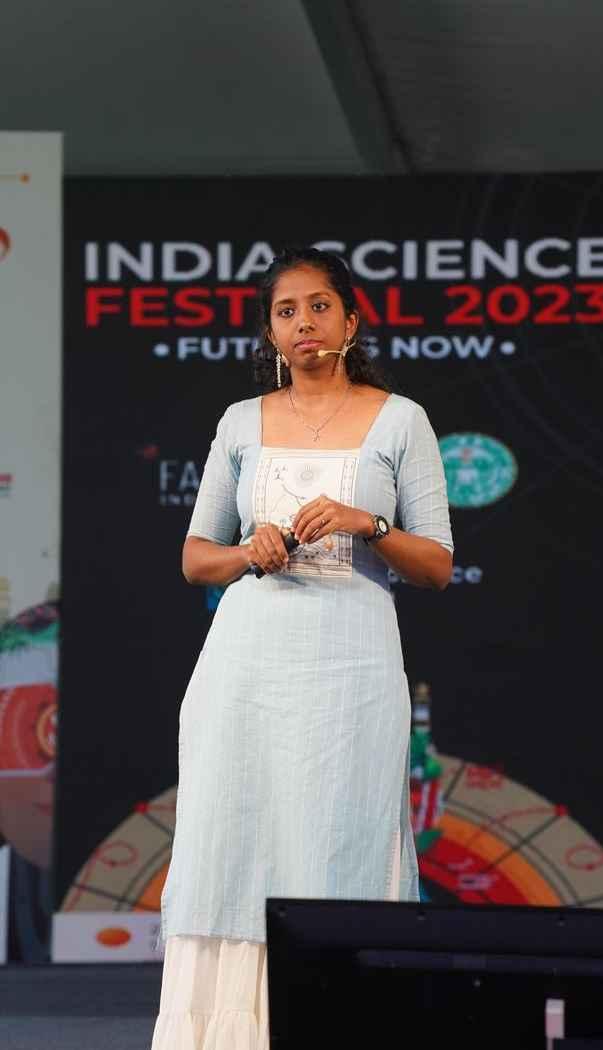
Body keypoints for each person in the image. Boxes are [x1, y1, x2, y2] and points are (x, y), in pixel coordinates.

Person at [151, 247, 454, 1049]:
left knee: (341, 836)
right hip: (246, 665)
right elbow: (195, 559)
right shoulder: (239, 422)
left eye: (320, 306)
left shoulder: (400, 420)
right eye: (286, 311)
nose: (304, 323)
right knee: (233, 838)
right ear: (270, 332)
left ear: (351, 322)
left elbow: (436, 565)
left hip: (351, 666)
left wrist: (368, 524)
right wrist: (248, 550)